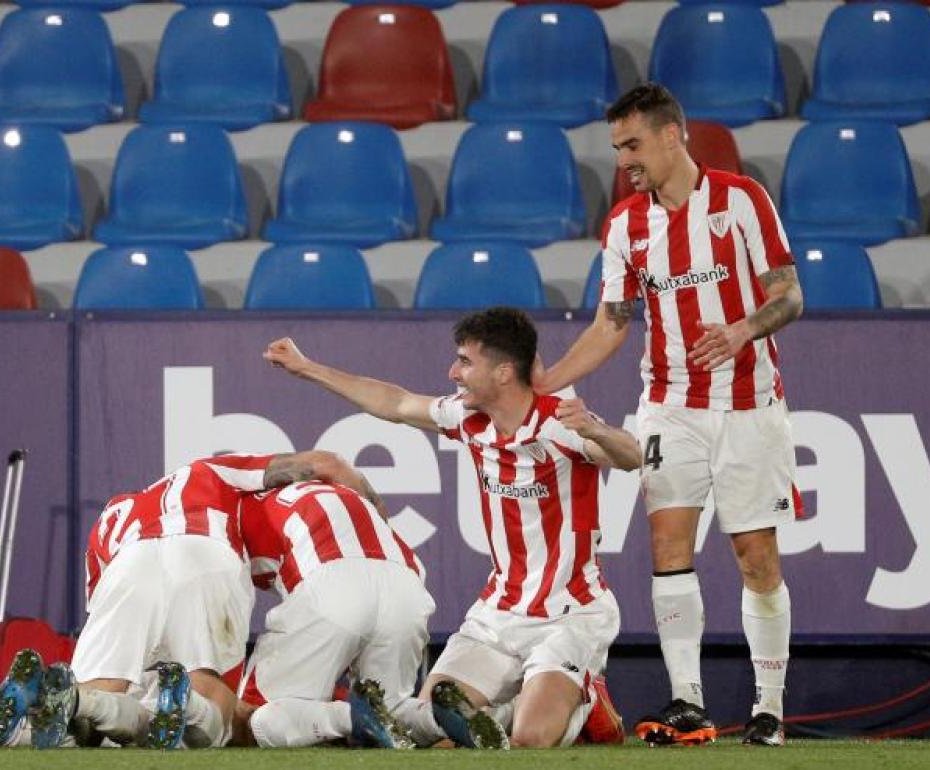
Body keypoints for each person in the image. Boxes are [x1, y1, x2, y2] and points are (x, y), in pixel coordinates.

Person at [536, 83, 804, 748]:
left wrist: (741, 332)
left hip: (748, 404)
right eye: (617, 147)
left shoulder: (741, 201)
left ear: (671, 136)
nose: (624, 159)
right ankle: (689, 701)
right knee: (667, 547)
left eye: (632, 144)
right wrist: (548, 381)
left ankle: (769, 707)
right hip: (669, 405)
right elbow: (612, 322)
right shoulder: (625, 224)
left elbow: (790, 295)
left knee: (755, 557)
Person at [264, 307, 641, 749]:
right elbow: (397, 403)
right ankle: (501, 712)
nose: (453, 372)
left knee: (531, 740)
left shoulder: (559, 423)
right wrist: (308, 369)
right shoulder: (467, 418)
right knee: (434, 733)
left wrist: (597, 430)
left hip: (570, 615)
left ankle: (588, 701)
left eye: (465, 361)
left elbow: (632, 456)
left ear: (503, 372)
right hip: (498, 615)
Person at [0, 450, 379, 750]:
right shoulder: (210, 472)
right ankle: (179, 702)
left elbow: (112, 610)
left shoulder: (113, 517)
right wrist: (371, 510)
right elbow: (323, 464)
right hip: (204, 553)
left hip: (127, 568)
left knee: (86, 710)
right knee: (210, 718)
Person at [229, 479, 435, 750]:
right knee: (392, 709)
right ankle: (436, 719)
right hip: (408, 588)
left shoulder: (232, 514)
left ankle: (351, 717)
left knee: (251, 718)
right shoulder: (334, 490)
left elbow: (224, 613)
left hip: (332, 584)